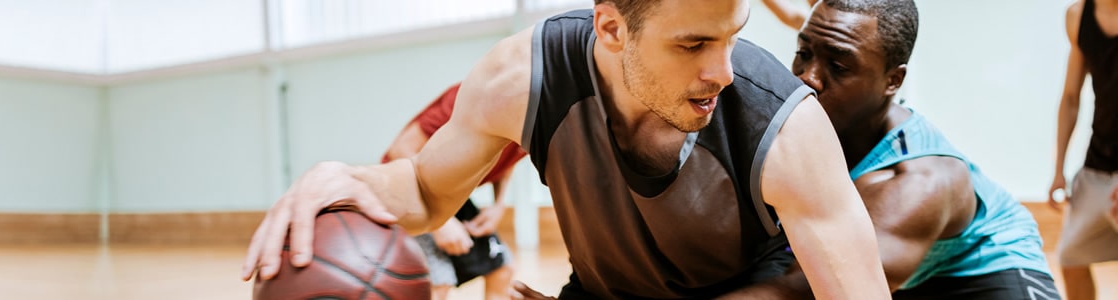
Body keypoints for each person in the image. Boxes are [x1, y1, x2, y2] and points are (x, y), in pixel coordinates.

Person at [242, 1, 891, 298]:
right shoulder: (521, 77)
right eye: (693, 45)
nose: (722, 70)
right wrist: (343, 176)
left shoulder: (783, 125)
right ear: (611, 27)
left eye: (731, 37)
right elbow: (423, 192)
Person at [717, 1, 1061, 299]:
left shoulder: (916, 184)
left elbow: (809, 289)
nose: (809, 78)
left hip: (988, 273)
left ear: (893, 81)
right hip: (907, 274)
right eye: (803, 54)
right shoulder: (803, 122)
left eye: (838, 67)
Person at [380, 83, 521, 300]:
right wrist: (441, 223)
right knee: (438, 282)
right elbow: (401, 150)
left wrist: (498, 204)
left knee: (501, 271)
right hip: (406, 186)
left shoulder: (537, 117)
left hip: (448, 190)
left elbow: (509, 154)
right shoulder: (471, 98)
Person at [1046, 0, 1118, 299]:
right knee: (1071, 256)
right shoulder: (1078, 16)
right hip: (1098, 161)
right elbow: (1071, 97)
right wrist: (1058, 170)